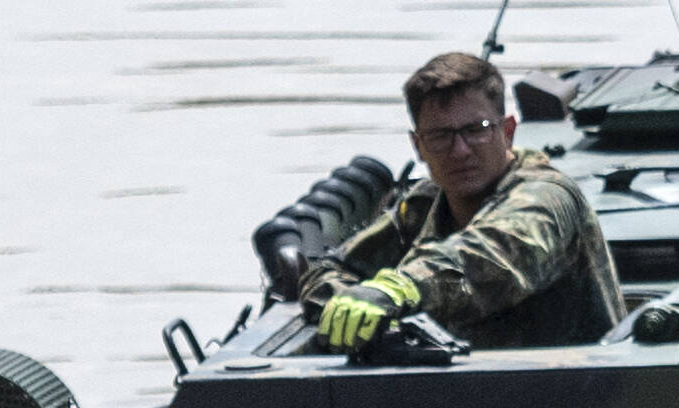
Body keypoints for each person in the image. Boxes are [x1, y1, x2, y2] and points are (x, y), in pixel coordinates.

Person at [267, 46, 623, 363]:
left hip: (567, 397)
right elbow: (334, 269)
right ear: (418, 146)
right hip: (457, 396)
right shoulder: (424, 204)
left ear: (508, 130)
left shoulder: (546, 197)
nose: (461, 150)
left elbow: (491, 256)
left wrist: (398, 290)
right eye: (440, 137)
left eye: (477, 129)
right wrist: (349, 305)